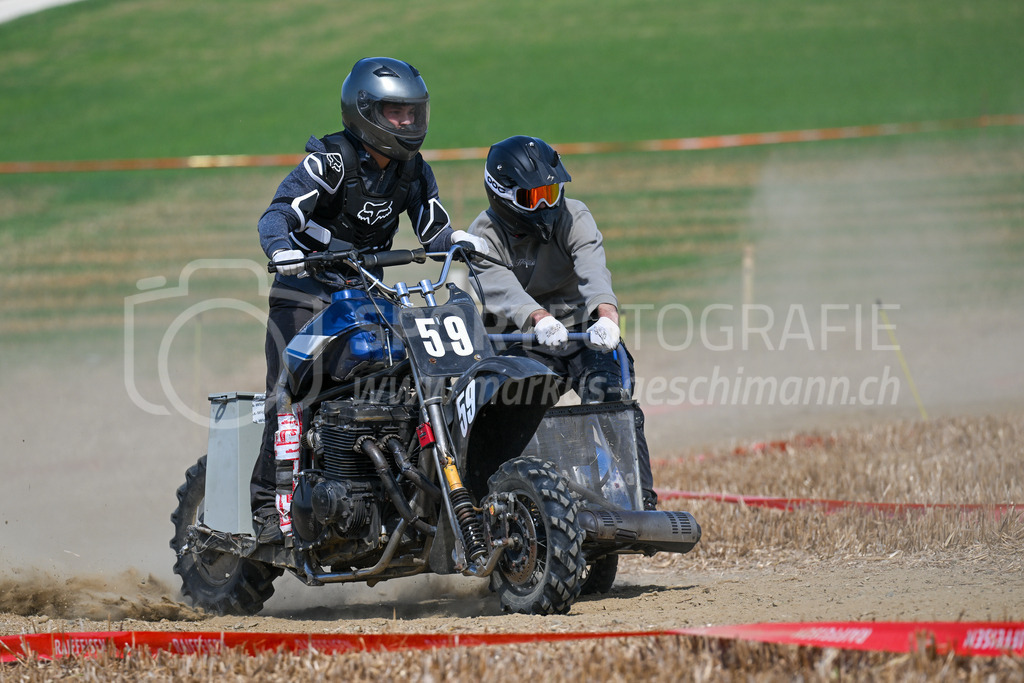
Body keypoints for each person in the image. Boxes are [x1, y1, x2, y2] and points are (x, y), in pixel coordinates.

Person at [251, 57, 487, 543]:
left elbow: (434, 227)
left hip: (367, 295)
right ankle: (265, 512)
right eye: (395, 112)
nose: (407, 122)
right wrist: (283, 249)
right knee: (289, 394)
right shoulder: (331, 161)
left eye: (412, 112)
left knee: (405, 379)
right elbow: (277, 214)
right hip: (306, 293)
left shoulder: (413, 169)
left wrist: (458, 243)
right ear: (364, 113)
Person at [467, 135, 658, 510]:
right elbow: (501, 290)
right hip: (519, 338)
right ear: (501, 196)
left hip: (583, 331)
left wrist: (606, 315)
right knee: (517, 413)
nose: (546, 205)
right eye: (531, 198)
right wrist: (537, 317)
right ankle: (513, 504)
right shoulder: (483, 235)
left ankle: (640, 501)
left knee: (610, 398)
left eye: (551, 192)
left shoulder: (575, 215)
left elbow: (592, 265)